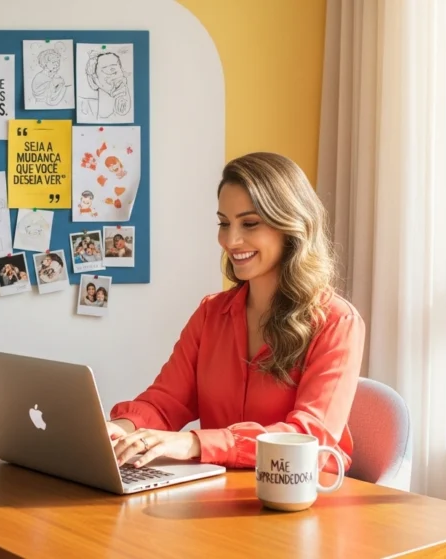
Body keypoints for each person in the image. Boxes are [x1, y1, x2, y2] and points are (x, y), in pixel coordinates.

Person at [106, 152, 366, 473]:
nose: (231, 240)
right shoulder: (210, 313)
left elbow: (310, 437)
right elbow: (165, 401)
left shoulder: (337, 322)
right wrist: (123, 428)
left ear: (291, 226)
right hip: (220, 495)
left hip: (305, 501)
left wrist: (194, 443)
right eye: (224, 223)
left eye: (250, 223)